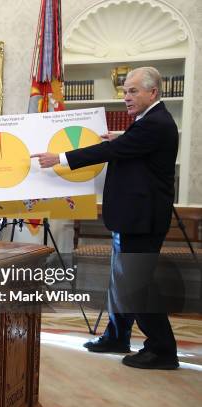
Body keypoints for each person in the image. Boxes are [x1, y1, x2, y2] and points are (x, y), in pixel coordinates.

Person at [31, 66, 179, 370]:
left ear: (153, 92)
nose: (126, 97)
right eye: (124, 91)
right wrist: (122, 136)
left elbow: (115, 150)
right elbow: (132, 147)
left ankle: (162, 349)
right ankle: (117, 335)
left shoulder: (156, 123)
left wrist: (59, 158)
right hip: (132, 217)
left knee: (139, 284)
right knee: (125, 281)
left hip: (143, 219)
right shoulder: (147, 121)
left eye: (133, 91)